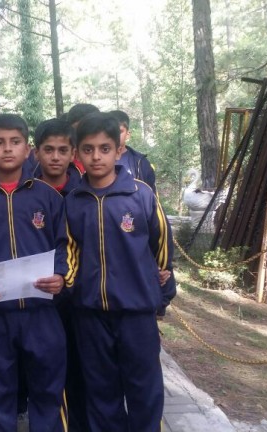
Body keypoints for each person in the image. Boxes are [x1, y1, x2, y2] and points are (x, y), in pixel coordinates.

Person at [0, 114, 75, 431]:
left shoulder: (47, 196)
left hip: (42, 313)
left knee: (48, 389)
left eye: (15, 142)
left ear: (28, 149)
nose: (7, 149)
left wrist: (62, 276)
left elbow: (66, 244)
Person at [64, 112, 176, 432]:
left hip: (136, 312)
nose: (96, 157)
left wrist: (160, 292)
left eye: (104, 148)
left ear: (118, 150)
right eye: (88, 149)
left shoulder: (141, 195)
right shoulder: (74, 201)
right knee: (101, 389)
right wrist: (73, 290)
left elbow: (161, 245)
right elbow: (69, 252)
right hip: (90, 313)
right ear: (77, 153)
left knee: (144, 388)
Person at [31, 118, 90, 431]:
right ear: (36, 152)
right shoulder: (23, 192)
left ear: (73, 154)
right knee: (44, 371)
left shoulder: (85, 192)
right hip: (38, 298)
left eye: (62, 150)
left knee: (80, 367)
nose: (55, 157)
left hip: (81, 297)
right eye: (48, 149)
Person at [108, 109, 156, 191]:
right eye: (111, 131)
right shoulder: (97, 159)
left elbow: (151, 194)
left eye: (119, 131)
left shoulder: (141, 163)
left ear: (127, 134)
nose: (115, 135)